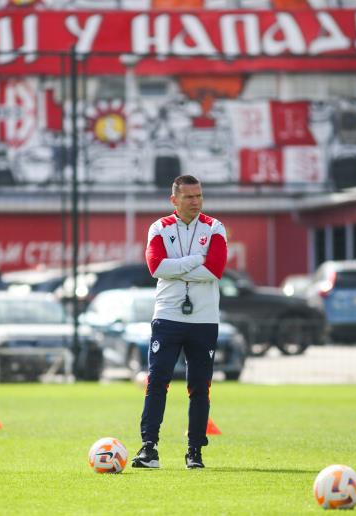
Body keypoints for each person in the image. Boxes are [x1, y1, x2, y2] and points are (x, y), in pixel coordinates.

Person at [131, 174, 227, 470]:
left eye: (199, 196)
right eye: (189, 197)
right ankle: (149, 448)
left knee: (199, 386)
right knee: (157, 381)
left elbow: (215, 269)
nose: (196, 202)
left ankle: (194, 452)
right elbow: (156, 266)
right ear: (174, 200)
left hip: (204, 319)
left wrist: (177, 268)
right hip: (168, 316)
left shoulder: (215, 227)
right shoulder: (159, 227)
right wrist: (196, 259)